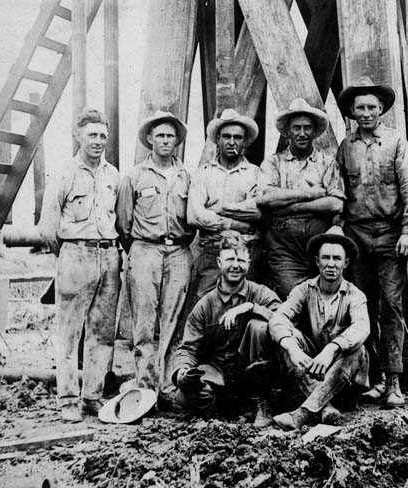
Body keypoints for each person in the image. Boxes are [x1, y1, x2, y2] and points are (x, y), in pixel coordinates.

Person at [335, 77, 408, 407]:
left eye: (371, 107)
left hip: (389, 235)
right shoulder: (346, 146)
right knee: (360, 307)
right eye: (360, 108)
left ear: (381, 108)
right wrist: (338, 231)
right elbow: (339, 193)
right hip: (356, 236)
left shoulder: (396, 142)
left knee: (392, 307)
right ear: (352, 112)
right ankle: (369, 379)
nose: (366, 113)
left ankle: (394, 382)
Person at [39, 108, 120, 421]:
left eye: (102, 135)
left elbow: (119, 219)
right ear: (78, 136)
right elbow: (47, 227)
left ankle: (92, 397)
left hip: (110, 258)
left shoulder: (113, 175)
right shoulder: (64, 173)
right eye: (92, 135)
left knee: (102, 334)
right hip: (76, 255)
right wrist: (70, 253)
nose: (98, 141)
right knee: (70, 333)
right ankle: (68, 400)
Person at [115, 111, 194, 409]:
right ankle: (145, 389)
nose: (165, 140)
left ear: (177, 141)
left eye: (170, 136)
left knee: (173, 322)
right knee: (145, 324)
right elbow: (123, 224)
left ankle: (167, 388)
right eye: (159, 135)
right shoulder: (135, 176)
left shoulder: (186, 176)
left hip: (179, 252)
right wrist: (138, 249)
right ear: (149, 139)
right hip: (145, 250)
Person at [172, 231, 282, 426]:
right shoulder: (205, 305)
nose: (235, 265)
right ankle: (222, 414)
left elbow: (284, 319)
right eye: (230, 259)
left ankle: (261, 405)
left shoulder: (260, 293)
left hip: (252, 375)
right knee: (184, 396)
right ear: (219, 262)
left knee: (258, 326)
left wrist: (251, 307)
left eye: (241, 260)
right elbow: (188, 348)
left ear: (248, 263)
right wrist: (183, 371)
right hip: (219, 373)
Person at [269, 226, 370, 430]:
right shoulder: (305, 289)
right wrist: (292, 348)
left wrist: (332, 348)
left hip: (345, 381)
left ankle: (302, 413)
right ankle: (325, 408)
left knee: (358, 349)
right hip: (313, 373)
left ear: (346, 263)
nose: (331, 264)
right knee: (288, 339)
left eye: (336, 258)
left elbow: (362, 326)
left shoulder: (354, 295)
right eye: (325, 258)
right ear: (317, 261)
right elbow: (278, 317)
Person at [258, 98, 345, 299]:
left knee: (323, 299)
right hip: (284, 250)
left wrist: (289, 207)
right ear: (287, 131)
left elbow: (335, 203)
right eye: (297, 128)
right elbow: (266, 199)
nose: (302, 133)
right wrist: (310, 194)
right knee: (293, 298)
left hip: (320, 249)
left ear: (314, 131)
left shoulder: (327, 163)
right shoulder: (273, 163)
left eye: (307, 128)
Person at [187, 109, 263, 300]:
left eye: (237, 137)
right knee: (207, 302)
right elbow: (195, 215)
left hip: (245, 249)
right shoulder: (203, 173)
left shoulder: (255, 174)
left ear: (245, 142)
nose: (231, 142)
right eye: (226, 137)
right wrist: (234, 223)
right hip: (211, 249)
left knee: (243, 303)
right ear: (217, 140)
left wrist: (218, 210)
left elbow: (257, 213)